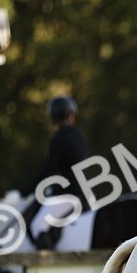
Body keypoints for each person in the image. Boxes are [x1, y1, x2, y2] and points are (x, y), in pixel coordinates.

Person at [29, 96, 88, 249]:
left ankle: (47, 261)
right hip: (86, 192)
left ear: (53, 118)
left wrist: (26, 190)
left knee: (37, 226)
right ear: (71, 115)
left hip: (68, 195)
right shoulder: (79, 135)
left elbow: (48, 171)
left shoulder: (58, 139)